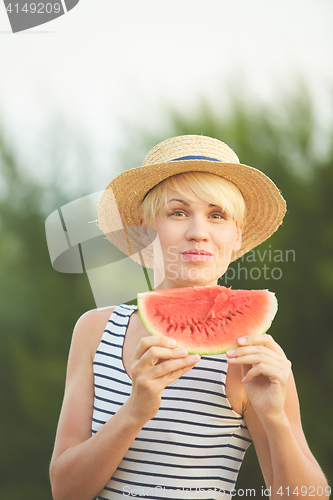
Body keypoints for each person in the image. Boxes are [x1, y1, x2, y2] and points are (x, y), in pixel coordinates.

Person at [49, 135, 329, 500]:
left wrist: (275, 418)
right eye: (178, 212)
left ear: (237, 236)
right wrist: (135, 411)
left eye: (217, 215)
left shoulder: (252, 355)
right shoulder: (96, 331)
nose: (199, 233)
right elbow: (65, 491)